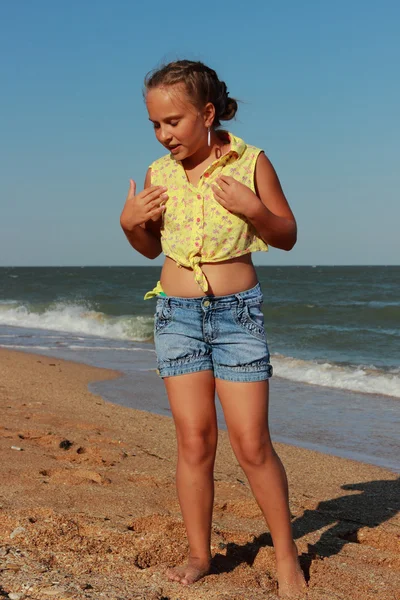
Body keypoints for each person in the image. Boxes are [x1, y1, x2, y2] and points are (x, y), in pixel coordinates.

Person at [120, 60, 307, 598]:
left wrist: (254, 210)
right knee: (195, 441)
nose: (164, 134)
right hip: (175, 317)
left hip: (236, 316)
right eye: (155, 125)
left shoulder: (251, 162)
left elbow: (287, 234)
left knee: (251, 443)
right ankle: (200, 554)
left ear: (206, 114)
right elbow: (150, 248)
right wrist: (130, 224)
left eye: (173, 121)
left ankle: (287, 556)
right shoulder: (160, 174)